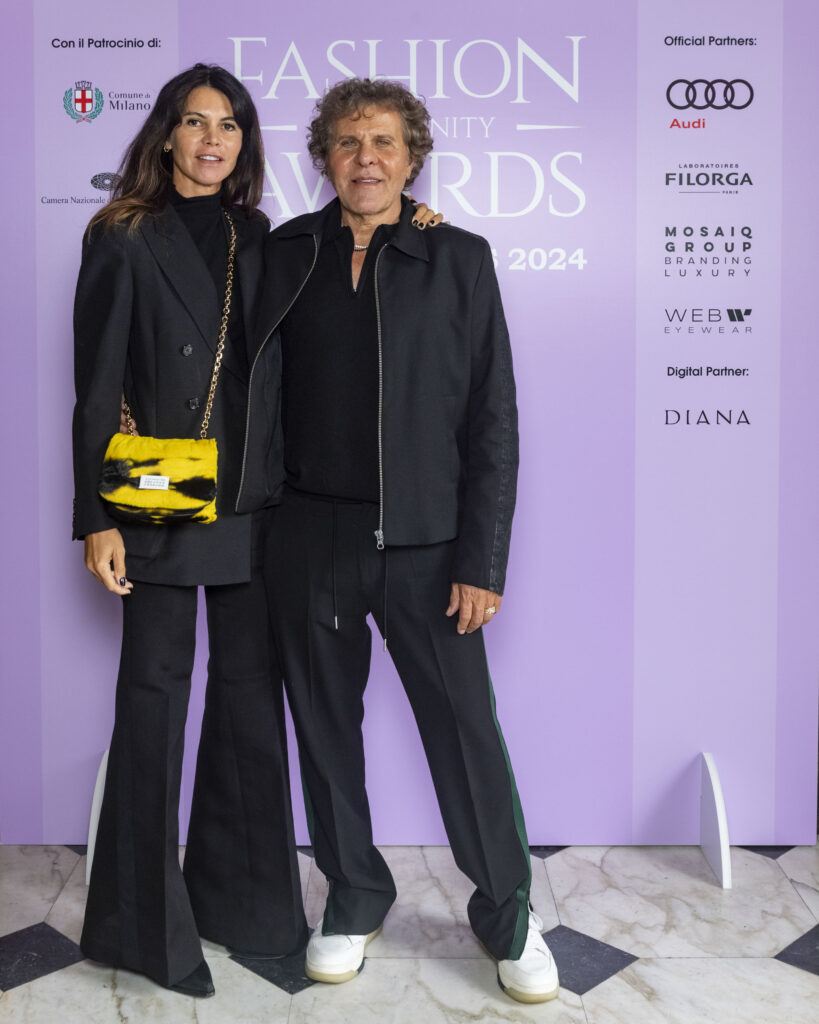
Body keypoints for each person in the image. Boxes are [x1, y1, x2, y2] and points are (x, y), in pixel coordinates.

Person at [236, 78, 559, 1005]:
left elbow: (492, 419)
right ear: (323, 159)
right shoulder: (284, 252)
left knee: (463, 735)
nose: (365, 158)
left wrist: (480, 561)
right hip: (307, 534)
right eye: (346, 142)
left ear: (412, 157)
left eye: (382, 142)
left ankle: (507, 913)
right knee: (324, 732)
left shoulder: (456, 257)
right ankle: (353, 895)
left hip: (425, 545)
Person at [72, 63, 309, 999]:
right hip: (158, 495)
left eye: (230, 124)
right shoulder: (122, 233)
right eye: (196, 122)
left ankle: (244, 907)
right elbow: (96, 385)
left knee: (250, 701)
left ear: (245, 141)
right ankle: (141, 930)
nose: (213, 140)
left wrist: (414, 220)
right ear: (167, 134)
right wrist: (96, 518)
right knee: (153, 701)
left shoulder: (261, 233)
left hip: (253, 499)